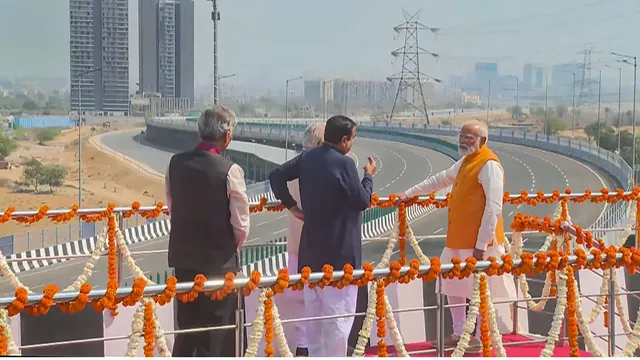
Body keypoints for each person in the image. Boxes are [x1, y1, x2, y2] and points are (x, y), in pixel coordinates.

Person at [397, 119, 517, 352]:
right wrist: (410, 193)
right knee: (452, 286)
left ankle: (482, 337)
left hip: (482, 244)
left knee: (483, 291)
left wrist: (482, 244)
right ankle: (460, 333)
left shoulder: (489, 165)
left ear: (484, 140)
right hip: (458, 240)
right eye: (462, 135)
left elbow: (494, 207)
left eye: (470, 137)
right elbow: (440, 179)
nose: (464, 140)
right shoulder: (465, 162)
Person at [269, 115, 376, 357]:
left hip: (311, 253)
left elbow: (276, 175)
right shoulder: (344, 163)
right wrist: (368, 176)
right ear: (344, 139)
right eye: (353, 139)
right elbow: (361, 201)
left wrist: (292, 206)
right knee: (338, 319)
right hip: (340, 255)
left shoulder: (307, 158)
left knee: (315, 319)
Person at [165, 106, 250, 357]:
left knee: (188, 330)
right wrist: (227, 248)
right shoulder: (230, 171)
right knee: (218, 334)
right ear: (227, 136)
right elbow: (241, 225)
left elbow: (172, 206)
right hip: (218, 265)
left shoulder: (175, 163)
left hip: (184, 262)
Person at [285, 122, 325, 357]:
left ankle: (303, 345)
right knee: (320, 301)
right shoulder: (317, 168)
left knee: (303, 302)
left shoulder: (294, 167)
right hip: (316, 245)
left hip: (295, 244)